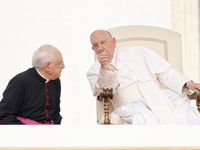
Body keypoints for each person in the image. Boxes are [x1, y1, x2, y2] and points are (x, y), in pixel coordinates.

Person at [87, 30, 200, 125]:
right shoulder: (94, 70)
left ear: (113, 41)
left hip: (159, 99)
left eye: (103, 43)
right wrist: (104, 67)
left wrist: (188, 83)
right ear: (93, 49)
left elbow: (166, 73)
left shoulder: (138, 51)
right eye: (96, 45)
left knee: (190, 116)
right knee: (142, 120)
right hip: (131, 109)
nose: (100, 48)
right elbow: (105, 90)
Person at [0, 44, 65, 125]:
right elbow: (4, 116)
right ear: (47, 66)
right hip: (24, 132)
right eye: (59, 63)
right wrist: (29, 131)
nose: (63, 66)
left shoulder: (55, 80)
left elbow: (56, 112)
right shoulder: (20, 81)